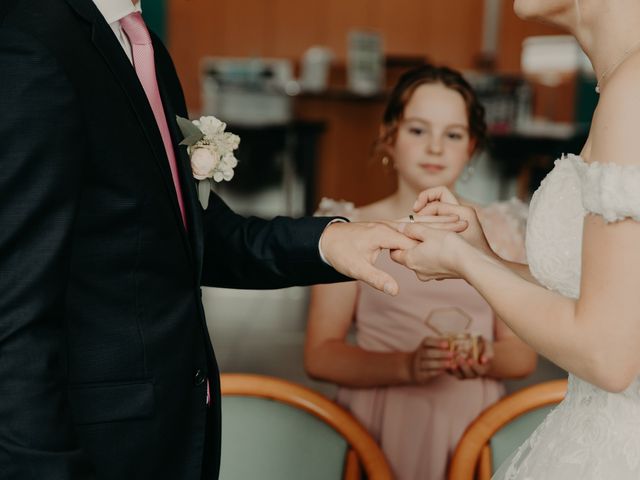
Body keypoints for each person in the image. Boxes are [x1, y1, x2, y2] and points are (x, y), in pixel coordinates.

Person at [0, 1, 429, 479]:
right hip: (94, 444)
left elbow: (193, 235)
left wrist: (330, 242)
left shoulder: (143, 48)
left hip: (173, 429)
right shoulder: (32, 43)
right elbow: (13, 304)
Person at [393, 1, 640, 478]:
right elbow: (609, 303)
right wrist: (482, 255)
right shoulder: (621, 84)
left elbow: (608, 356)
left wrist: (467, 265)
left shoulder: (633, 91)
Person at [305, 65, 536, 480]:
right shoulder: (348, 230)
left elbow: (520, 355)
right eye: (417, 130)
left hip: (474, 419)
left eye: (452, 134)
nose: (434, 148)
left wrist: (483, 359)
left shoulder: (501, 231)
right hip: (379, 418)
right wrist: (406, 366)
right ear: (389, 135)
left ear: (471, 147)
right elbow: (321, 354)